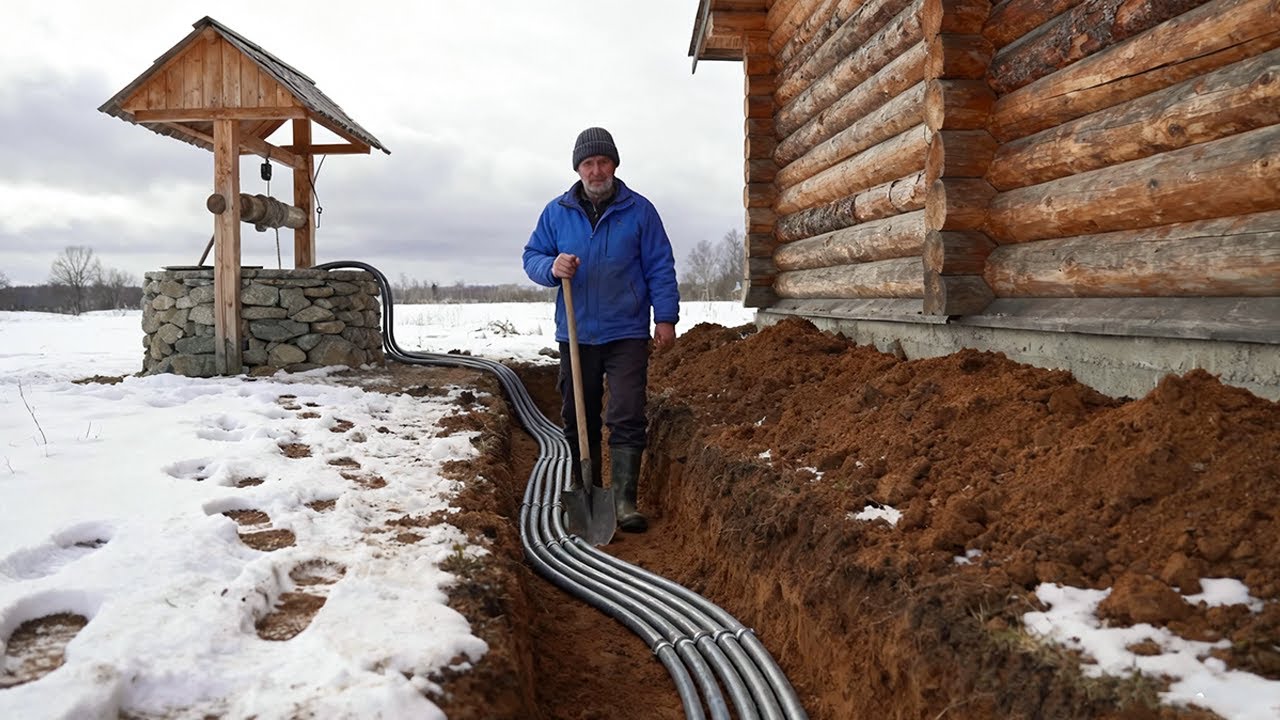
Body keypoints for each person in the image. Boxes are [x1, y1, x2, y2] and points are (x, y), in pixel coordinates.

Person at [522, 127, 680, 533]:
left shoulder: (640, 211)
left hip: (626, 329)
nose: (596, 171)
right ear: (578, 169)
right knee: (578, 413)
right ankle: (585, 487)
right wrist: (551, 267)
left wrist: (665, 318)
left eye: (603, 162)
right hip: (576, 332)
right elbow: (532, 255)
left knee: (627, 411)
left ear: (614, 165)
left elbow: (660, 266)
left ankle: (625, 500)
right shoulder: (556, 212)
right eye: (588, 163)